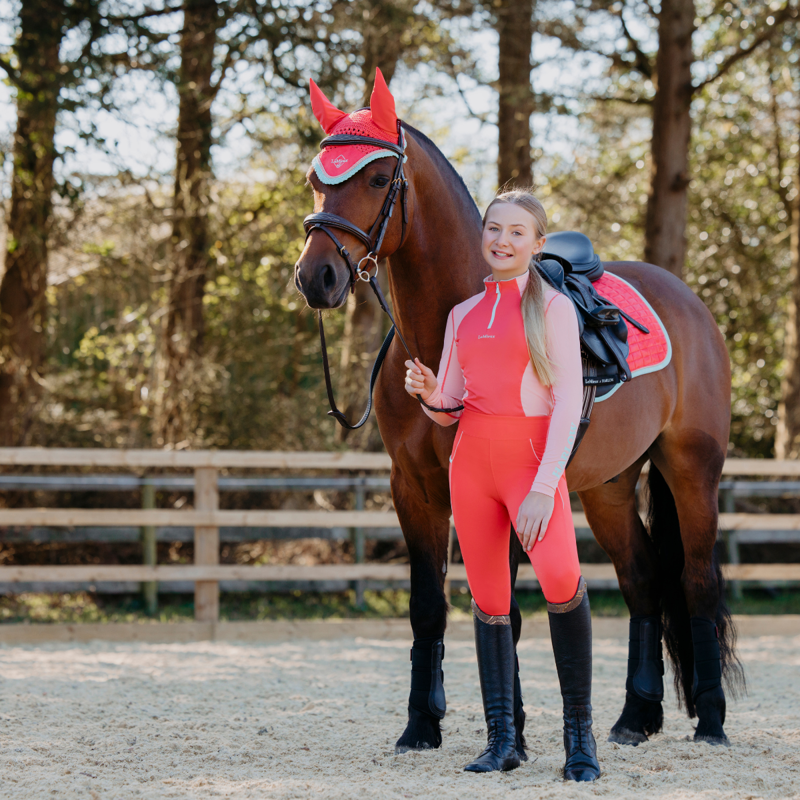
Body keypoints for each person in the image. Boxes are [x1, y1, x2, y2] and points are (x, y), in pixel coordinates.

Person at [403, 189, 600, 781]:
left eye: (517, 232)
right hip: (472, 467)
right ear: (481, 235)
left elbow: (568, 403)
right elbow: (453, 406)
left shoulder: (555, 308)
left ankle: (579, 742)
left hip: (532, 467)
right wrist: (429, 392)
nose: (502, 240)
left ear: (537, 244)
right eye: (494, 229)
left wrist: (545, 486)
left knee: (562, 582)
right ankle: (502, 741)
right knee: (490, 599)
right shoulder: (462, 315)